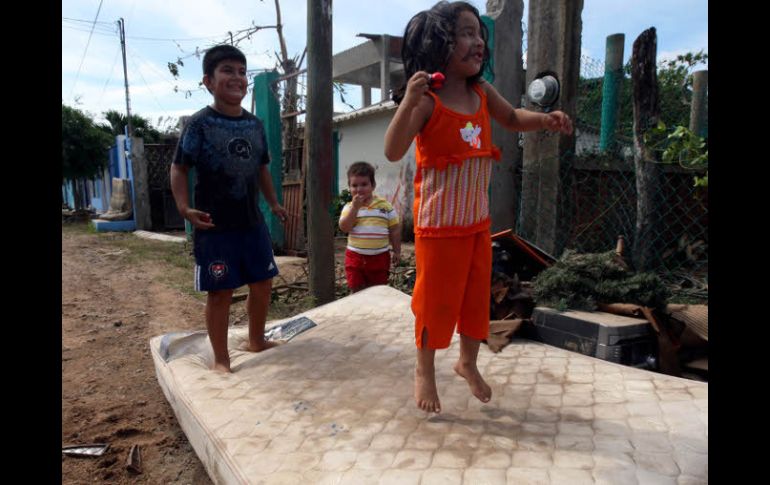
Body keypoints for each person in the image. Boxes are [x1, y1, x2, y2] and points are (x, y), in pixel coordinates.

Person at [384, 1, 573, 413]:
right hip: (438, 227)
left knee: (474, 298)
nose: (478, 42)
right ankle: (424, 370)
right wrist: (406, 102)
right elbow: (394, 149)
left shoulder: (481, 93)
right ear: (440, 42)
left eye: (479, 34)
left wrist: (544, 121)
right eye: (466, 33)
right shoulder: (427, 101)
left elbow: (514, 118)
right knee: (434, 301)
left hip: (475, 224)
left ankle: (467, 362)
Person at [170, 44, 289, 373]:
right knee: (220, 293)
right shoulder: (199, 125)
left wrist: (274, 203)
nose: (237, 77)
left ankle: (256, 340)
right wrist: (184, 208)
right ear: (209, 81)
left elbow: (262, 168)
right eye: (228, 71)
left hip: (251, 223)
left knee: (263, 284)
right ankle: (221, 359)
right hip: (214, 226)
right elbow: (179, 167)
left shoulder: (254, 125)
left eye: (241, 72)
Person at [338, 161, 402, 293]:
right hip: (355, 257)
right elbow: (344, 228)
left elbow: (394, 229)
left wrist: (397, 251)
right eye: (354, 185)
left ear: (373, 186)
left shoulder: (385, 206)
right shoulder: (349, 207)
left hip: (380, 258)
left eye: (364, 184)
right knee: (356, 290)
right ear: (349, 188)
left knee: (377, 291)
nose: (359, 189)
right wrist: (355, 209)